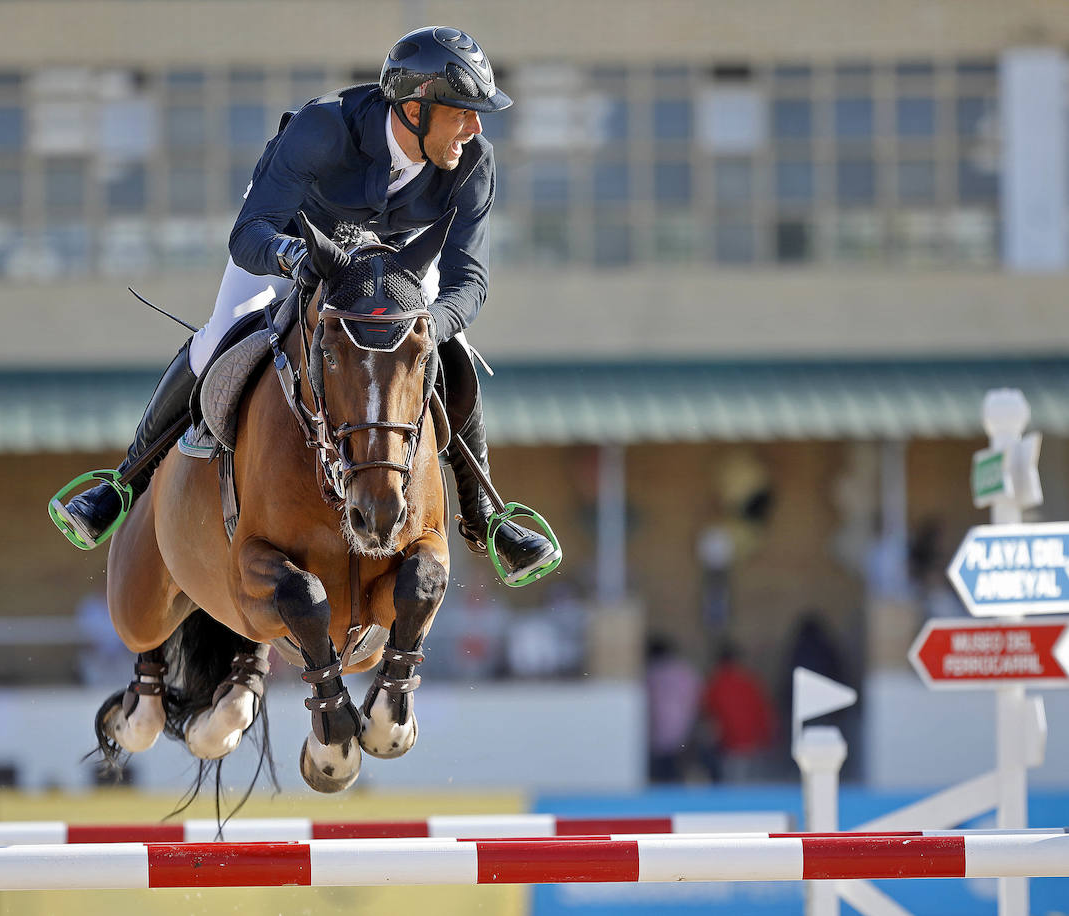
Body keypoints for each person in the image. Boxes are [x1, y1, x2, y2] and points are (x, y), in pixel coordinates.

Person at [51, 26, 558, 585]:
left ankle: (486, 515)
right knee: (221, 334)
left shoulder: (473, 160)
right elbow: (248, 234)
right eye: (462, 111)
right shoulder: (323, 130)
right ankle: (123, 483)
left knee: (451, 351)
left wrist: (424, 326)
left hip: (399, 268)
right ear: (415, 108)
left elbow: (471, 282)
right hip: (290, 239)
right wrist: (293, 257)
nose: (476, 127)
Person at [699, 643, 776, 783]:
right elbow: (764, 713)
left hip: (730, 745)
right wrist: (767, 739)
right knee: (752, 787)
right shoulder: (749, 681)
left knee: (732, 787)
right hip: (752, 744)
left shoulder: (716, 683)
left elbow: (707, 715)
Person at [644, 634, 703, 782]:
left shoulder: (651, 672)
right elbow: (696, 695)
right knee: (677, 771)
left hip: (657, 729)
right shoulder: (685, 670)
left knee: (660, 774)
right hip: (684, 726)